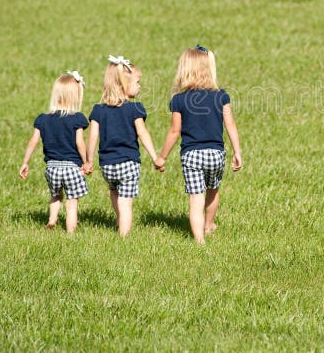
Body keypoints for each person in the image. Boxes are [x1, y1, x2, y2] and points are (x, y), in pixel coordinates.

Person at [155, 45, 242, 244]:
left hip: (192, 155)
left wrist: (162, 157)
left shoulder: (179, 100)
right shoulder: (221, 96)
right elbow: (230, 124)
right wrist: (237, 151)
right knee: (213, 190)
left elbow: (174, 132)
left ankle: (199, 240)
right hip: (216, 154)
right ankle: (209, 225)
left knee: (196, 198)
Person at [86, 55, 158, 237]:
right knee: (126, 202)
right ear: (124, 84)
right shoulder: (134, 109)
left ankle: (119, 221)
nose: (140, 86)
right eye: (137, 82)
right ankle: (124, 236)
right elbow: (143, 134)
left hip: (107, 165)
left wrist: (88, 160)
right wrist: (155, 157)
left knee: (114, 192)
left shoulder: (98, 110)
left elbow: (92, 136)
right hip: (128, 163)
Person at [20, 71, 91, 233]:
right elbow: (79, 142)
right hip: (72, 168)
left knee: (56, 196)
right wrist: (86, 161)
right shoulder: (77, 118)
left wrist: (25, 162)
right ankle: (71, 232)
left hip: (52, 169)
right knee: (72, 202)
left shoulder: (43, 119)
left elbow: (33, 141)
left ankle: (52, 219)